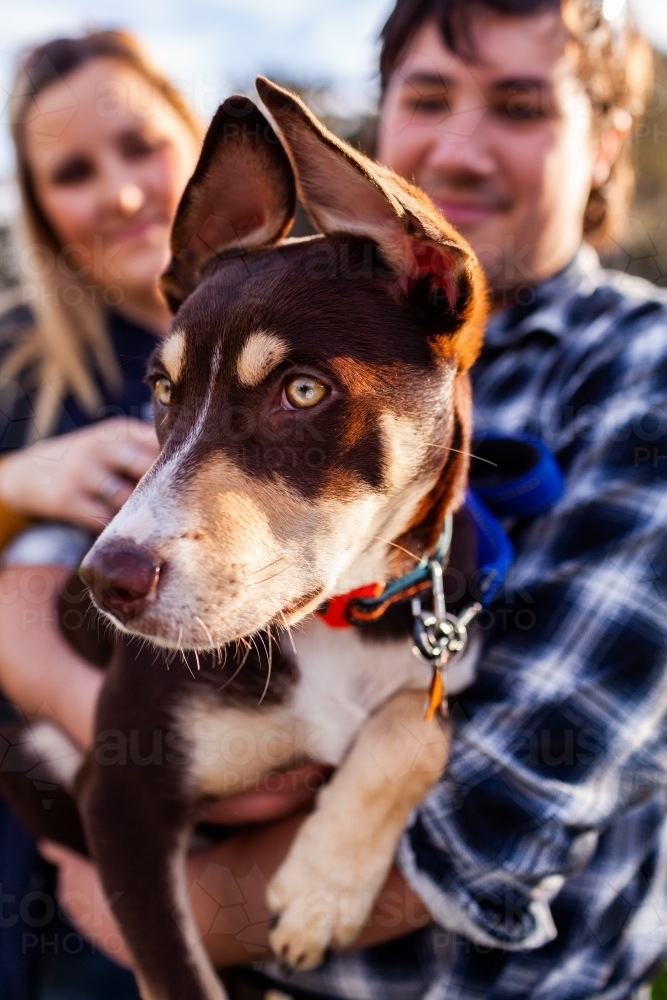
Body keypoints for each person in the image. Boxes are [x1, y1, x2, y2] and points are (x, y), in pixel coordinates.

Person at [15, 3, 667, 1000]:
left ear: (608, 139)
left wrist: (159, 907)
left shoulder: (634, 367)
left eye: (521, 105)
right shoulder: (255, 311)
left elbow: (498, 821)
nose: (460, 144)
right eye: (428, 96)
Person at [0, 31, 202, 999]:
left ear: (197, 135)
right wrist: (16, 483)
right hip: (34, 819)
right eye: (73, 173)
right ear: (39, 208)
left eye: (140, 148)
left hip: (215, 838)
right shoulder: (22, 363)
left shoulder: (305, 320)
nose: (120, 194)